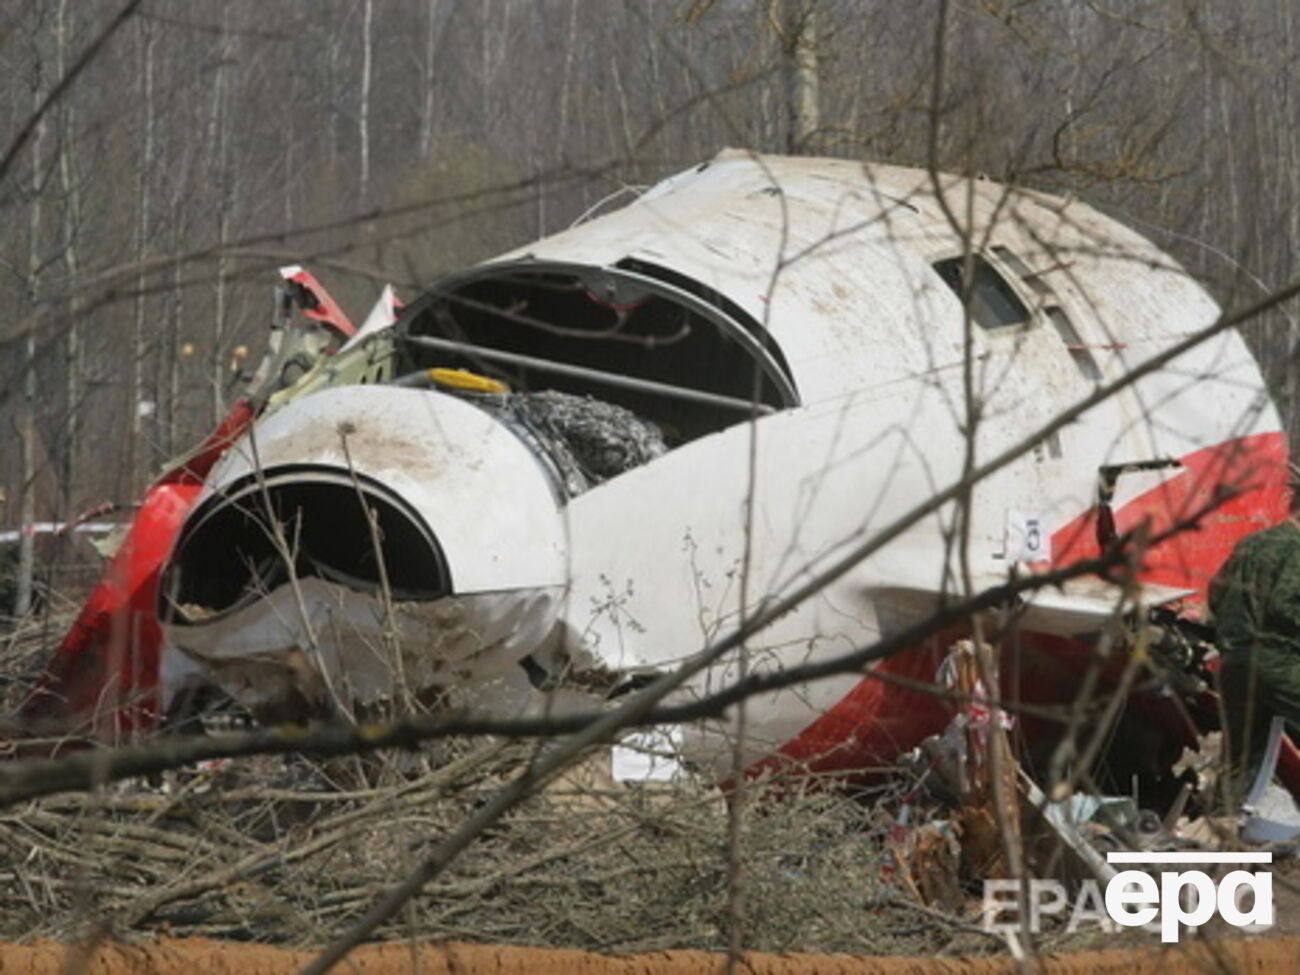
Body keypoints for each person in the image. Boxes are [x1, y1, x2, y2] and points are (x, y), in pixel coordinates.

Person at [1209, 516, 1300, 807]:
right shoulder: (1295, 548)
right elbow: (1282, 606)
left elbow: (1215, 594)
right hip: (1276, 660)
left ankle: (1223, 825)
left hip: (1234, 662)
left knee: (1241, 757)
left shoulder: (1252, 543)